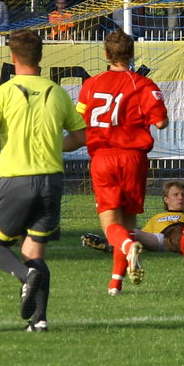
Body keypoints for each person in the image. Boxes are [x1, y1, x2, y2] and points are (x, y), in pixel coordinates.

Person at [0, 29, 86, 332]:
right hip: (51, 181)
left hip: (17, 179)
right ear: (41, 56)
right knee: (35, 252)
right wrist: (51, 144)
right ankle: (40, 321)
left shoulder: (5, 92)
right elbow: (80, 137)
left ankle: (24, 277)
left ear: (12, 58)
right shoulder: (57, 92)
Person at [76, 30, 169, 295]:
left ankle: (127, 253)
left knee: (111, 228)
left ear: (106, 54)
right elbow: (161, 122)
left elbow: (81, 120)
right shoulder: (143, 84)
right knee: (127, 226)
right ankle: (115, 284)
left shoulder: (91, 84)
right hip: (133, 159)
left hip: (104, 157)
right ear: (131, 54)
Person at [81, 180, 184, 253]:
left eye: (183, 195)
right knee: (132, 232)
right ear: (166, 199)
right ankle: (111, 244)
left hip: (182, 238)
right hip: (160, 239)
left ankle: (112, 245)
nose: (180, 198)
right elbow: (144, 234)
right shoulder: (157, 218)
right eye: (176, 194)